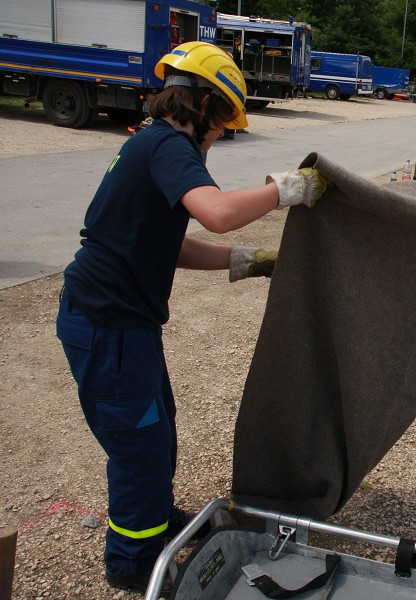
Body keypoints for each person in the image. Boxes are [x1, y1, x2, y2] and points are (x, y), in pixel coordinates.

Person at [55, 41, 329, 595]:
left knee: (158, 429)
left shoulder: (153, 145)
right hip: (108, 324)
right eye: (224, 115)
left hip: (121, 322)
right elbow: (221, 213)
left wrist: (242, 262)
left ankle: (154, 523)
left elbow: (165, 244)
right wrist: (285, 190)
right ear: (200, 104)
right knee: (140, 446)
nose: (224, 130)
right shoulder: (168, 146)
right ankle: (132, 562)